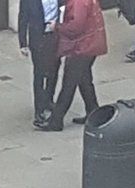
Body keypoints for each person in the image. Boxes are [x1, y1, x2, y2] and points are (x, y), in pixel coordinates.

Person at [41, 0, 107, 131]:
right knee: (84, 81)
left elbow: (75, 27)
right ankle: (93, 112)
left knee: (69, 84)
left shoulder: (78, 2)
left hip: (82, 47)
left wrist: (57, 26)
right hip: (90, 44)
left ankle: (56, 121)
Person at [19, 0, 63, 127]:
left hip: (55, 35)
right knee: (39, 72)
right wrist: (23, 43)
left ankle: (49, 99)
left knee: (54, 69)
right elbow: (23, 18)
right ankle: (39, 109)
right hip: (38, 37)